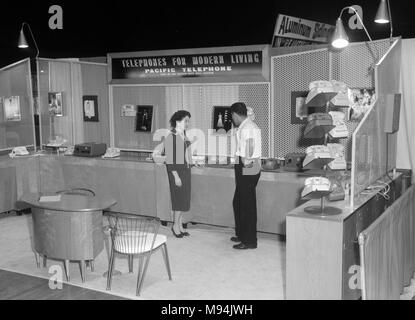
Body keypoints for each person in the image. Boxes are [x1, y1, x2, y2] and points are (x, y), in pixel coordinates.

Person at [230, 102, 262, 249]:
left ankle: (249, 241)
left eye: (232, 116)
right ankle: (242, 234)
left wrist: (245, 163)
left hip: (248, 165)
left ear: (235, 115)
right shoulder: (246, 125)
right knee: (238, 202)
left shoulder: (248, 127)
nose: (232, 119)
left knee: (247, 205)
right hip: (247, 164)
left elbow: (249, 146)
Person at [164, 110, 195, 238]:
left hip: (185, 171)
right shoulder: (171, 136)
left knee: (184, 200)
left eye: (188, 121)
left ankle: (180, 224)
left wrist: (192, 163)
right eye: (185, 121)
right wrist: (176, 176)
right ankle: (175, 226)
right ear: (178, 121)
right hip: (176, 172)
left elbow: (186, 153)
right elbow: (169, 161)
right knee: (178, 200)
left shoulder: (183, 134)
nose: (187, 123)